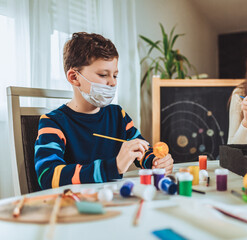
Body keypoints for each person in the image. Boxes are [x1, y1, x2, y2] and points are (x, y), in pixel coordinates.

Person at [34, 32, 173, 190]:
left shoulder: (118, 115)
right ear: (74, 77)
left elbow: (142, 149)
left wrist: (155, 161)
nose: (113, 83)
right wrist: (113, 167)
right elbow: (48, 176)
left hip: (113, 202)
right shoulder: (53, 122)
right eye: (103, 75)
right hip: (75, 206)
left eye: (115, 75)